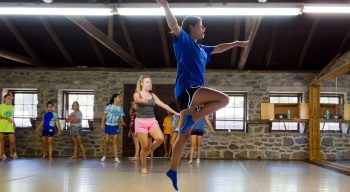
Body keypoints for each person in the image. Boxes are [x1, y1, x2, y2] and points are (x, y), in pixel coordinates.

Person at [155, 0, 249, 190]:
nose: (204, 28)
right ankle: (194, 117)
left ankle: (172, 170)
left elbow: (219, 47)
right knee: (224, 99)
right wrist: (165, 5)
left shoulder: (202, 49)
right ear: (191, 28)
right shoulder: (184, 40)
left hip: (188, 94)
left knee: (183, 136)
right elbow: (173, 25)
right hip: (188, 89)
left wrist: (236, 43)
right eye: (201, 25)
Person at [133, 75, 180, 174]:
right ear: (141, 84)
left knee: (160, 138)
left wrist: (176, 113)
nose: (149, 84)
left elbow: (164, 105)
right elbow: (137, 100)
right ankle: (144, 167)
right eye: (147, 82)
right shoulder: (137, 94)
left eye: (150, 82)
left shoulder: (153, 96)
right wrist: (143, 101)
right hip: (140, 122)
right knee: (144, 146)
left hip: (152, 120)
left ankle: (150, 150)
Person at [100, 93, 126, 162]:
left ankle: (116, 157)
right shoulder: (108, 107)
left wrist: (124, 123)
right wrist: (102, 124)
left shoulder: (120, 108)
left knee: (115, 142)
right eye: (118, 97)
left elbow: (121, 119)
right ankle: (104, 156)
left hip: (115, 126)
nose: (119, 99)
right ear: (114, 98)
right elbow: (104, 116)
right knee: (107, 142)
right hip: (108, 125)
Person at [0, 94, 17, 160]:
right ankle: (1, 155)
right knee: (1, 141)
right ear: (4, 99)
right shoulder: (1, 106)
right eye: (8, 98)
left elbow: (11, 117)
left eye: (11, 99)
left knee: (12, 141)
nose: (10, 100)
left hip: (9, 126)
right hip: (1, 126)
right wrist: (6, 118)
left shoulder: (12, 107)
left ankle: (11, 154)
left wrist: (14, 123)